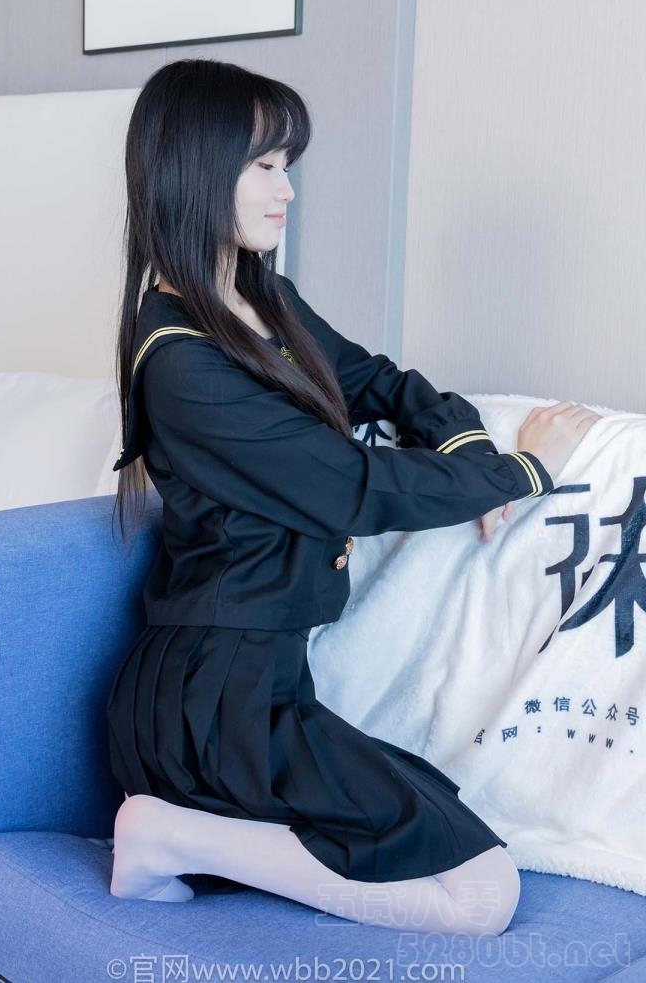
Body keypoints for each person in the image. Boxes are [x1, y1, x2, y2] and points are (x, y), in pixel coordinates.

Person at [106, 57, 601, 934]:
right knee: (482, 896)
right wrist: (521, 472)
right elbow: (351, 486)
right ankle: (161, 833)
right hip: (208, 704)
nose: (286, 189)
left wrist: (465, 439)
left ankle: (181, 835)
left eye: (286, 163)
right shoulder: (179, 361)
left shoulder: (258, 299)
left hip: (266, 686)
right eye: (264, 165)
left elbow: (379, 382)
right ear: (196, 167)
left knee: (462, 826)